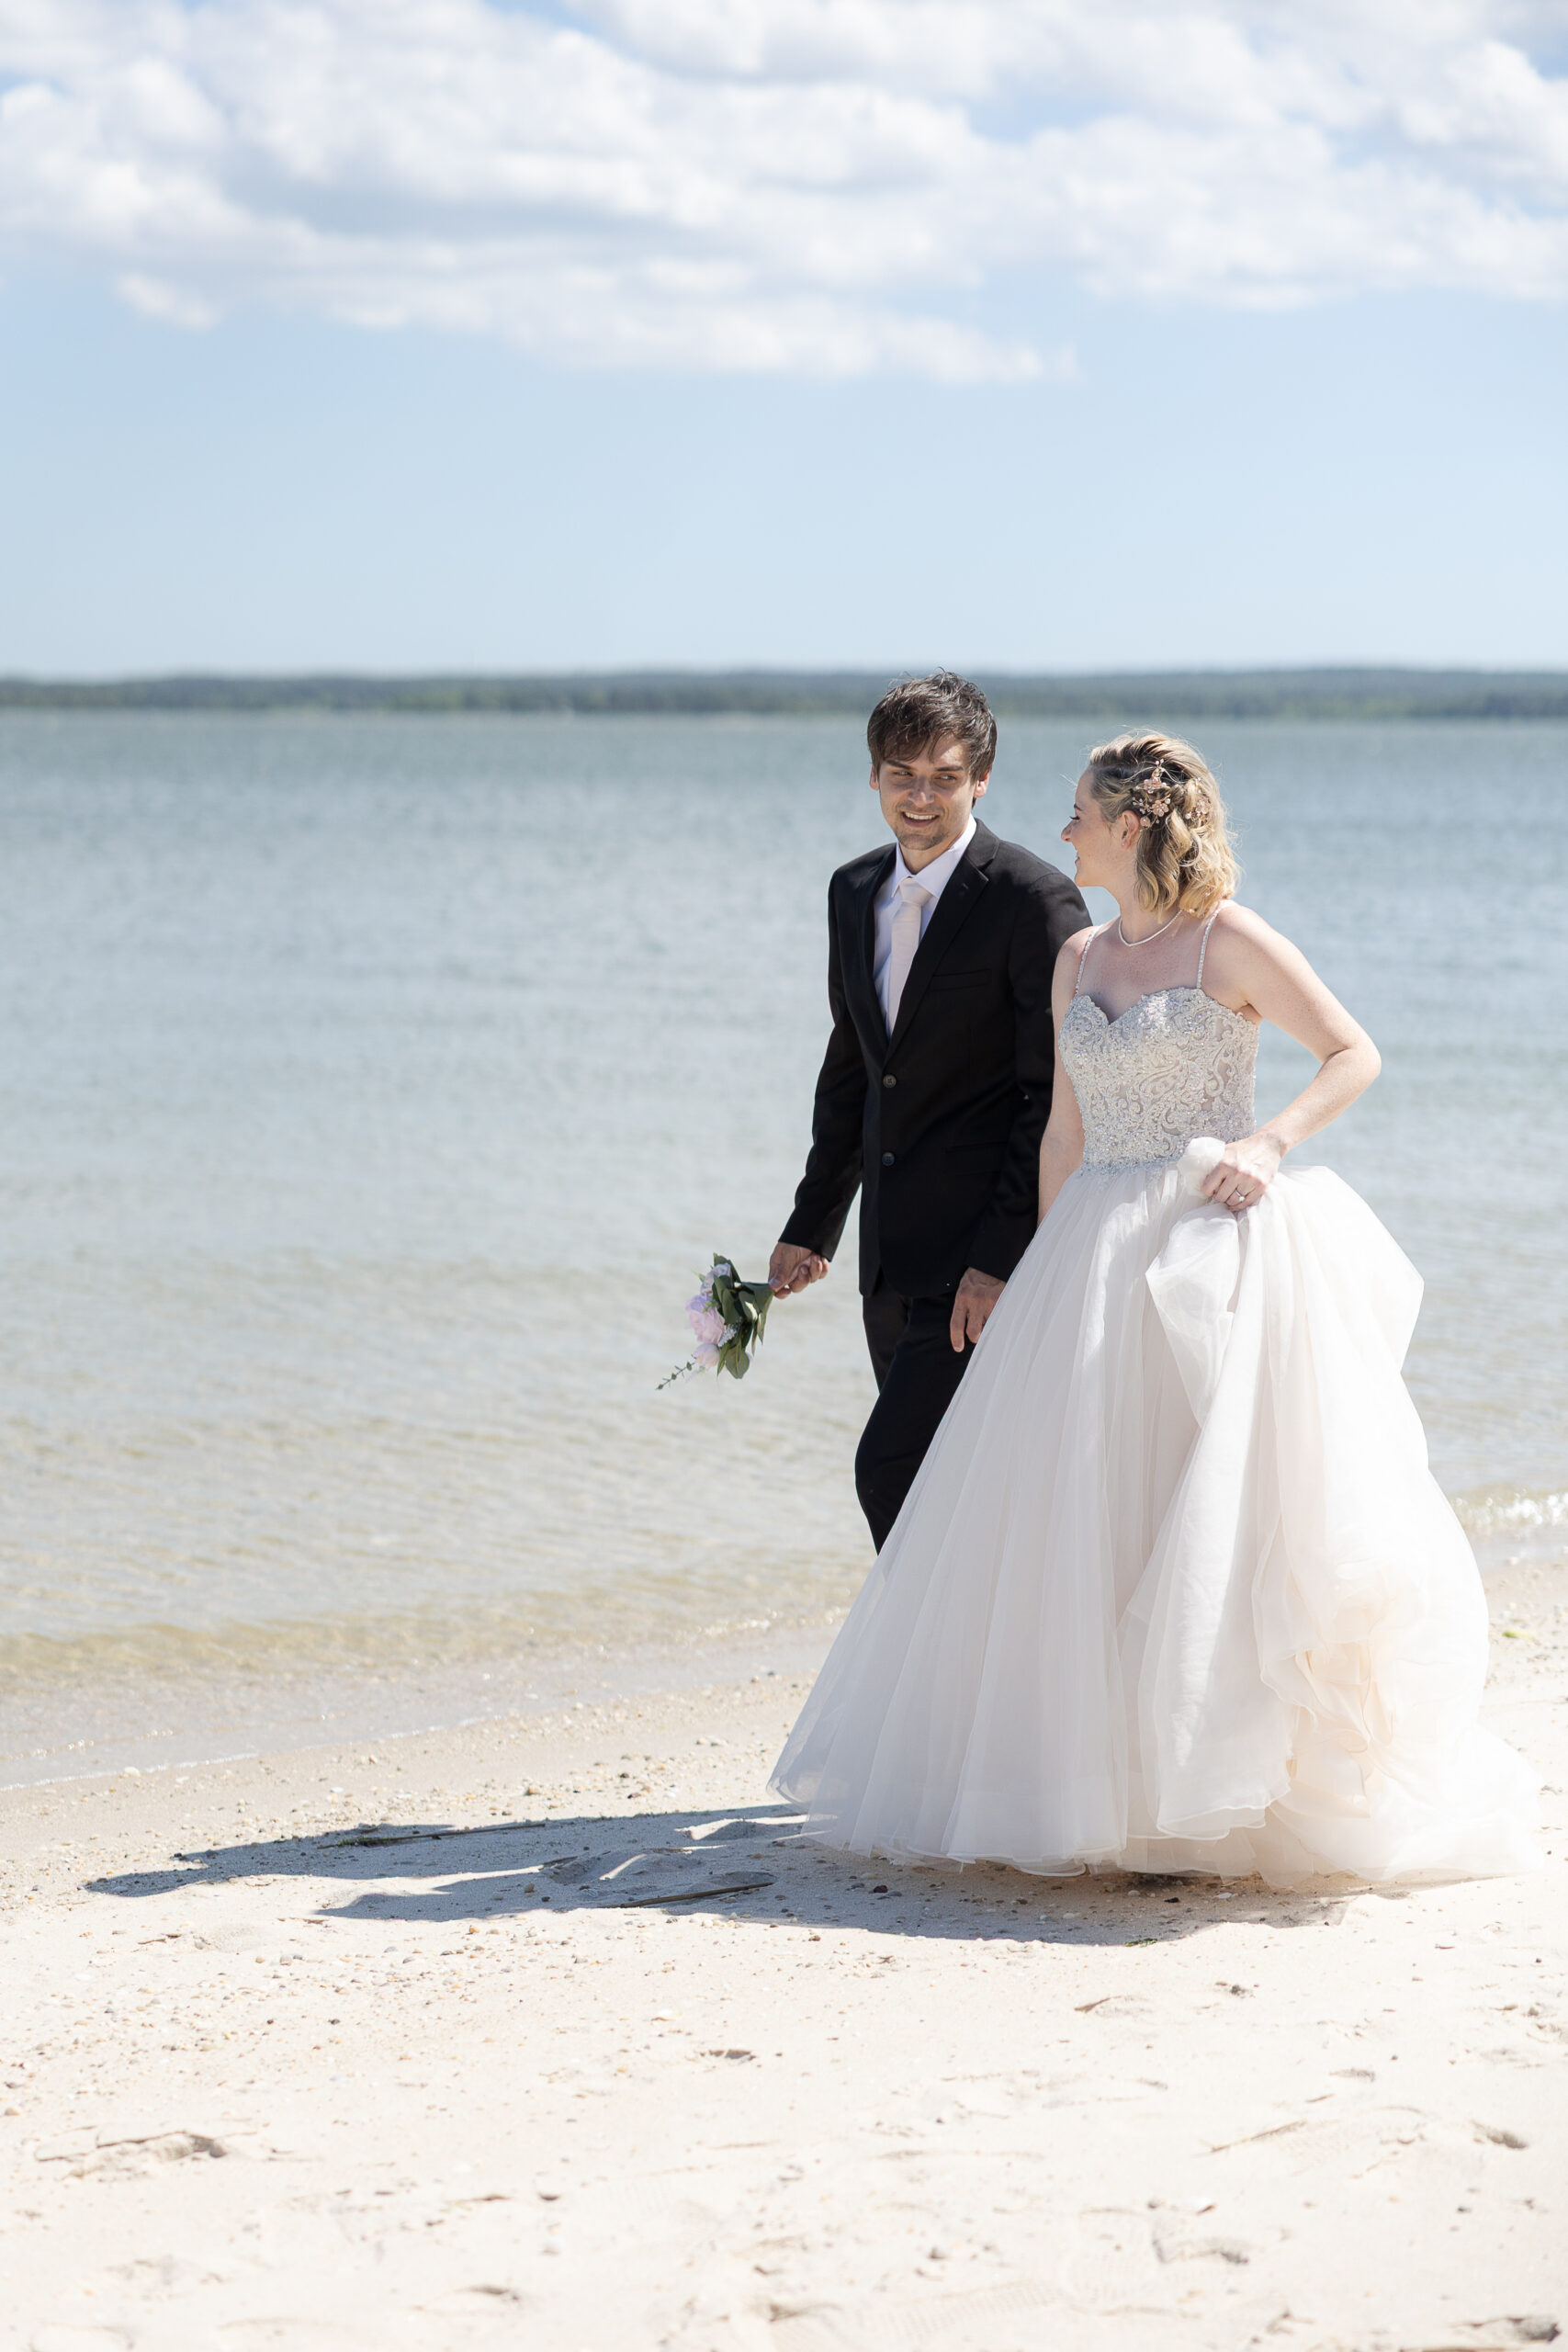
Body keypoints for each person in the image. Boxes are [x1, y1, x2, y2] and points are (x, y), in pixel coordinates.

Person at [772, 732, 1539, 1888]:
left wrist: (1269, 1142)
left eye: (1079, 811)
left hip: (1208, 1239)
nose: (1065, 828)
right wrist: (1029, 1273)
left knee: (1214, 1513)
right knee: (1087, 1515)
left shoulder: (1229, 936)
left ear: (1130, 824)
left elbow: (1351, 1051)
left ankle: (1220, 1788)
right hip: (1088, 1247)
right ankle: (1101, 1790)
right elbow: (1063, 1133)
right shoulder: (1078, 955)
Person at [769, 673, 1087, 1549]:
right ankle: (958, 1677)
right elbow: (853, 1067)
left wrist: (998, 1258)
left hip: (979, 1262)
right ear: (872, 776)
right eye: (900, 773)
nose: (919, 796)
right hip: (887, 1255)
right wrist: (811, 1224)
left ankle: (916, 1680)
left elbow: (1052, 1092)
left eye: (943, 777)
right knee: (945, 1488)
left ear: (979, 779)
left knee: (891, 1468)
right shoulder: (851, 890)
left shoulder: (1032, 900)